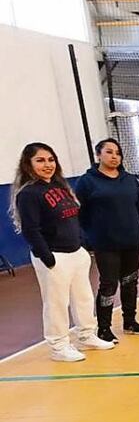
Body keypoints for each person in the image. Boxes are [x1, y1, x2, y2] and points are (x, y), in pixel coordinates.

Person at [8, 143, 115, 362]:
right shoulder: (28, 194)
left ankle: (86, 335)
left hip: (76, 253)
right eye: (40, 160)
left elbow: (73, 218)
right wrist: (47, 257)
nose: (47, 165)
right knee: (56, 303)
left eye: (50, 160)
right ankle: (58, 345)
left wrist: (82, 247)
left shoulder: (59, 186)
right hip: (54, 256)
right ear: (28, 165)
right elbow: (31, 229)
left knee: (83, 298)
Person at [74, 138, 139, 343]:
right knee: (108, 284)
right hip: (105, 243)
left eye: (117, 152)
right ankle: (104, 328)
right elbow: (79, 211)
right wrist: (91, 235)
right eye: (109, 152)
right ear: (98, 155)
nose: (114, 156)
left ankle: (130, 321)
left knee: (130, 281)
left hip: (132, 240)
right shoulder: (87, 181)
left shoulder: (129, 180)